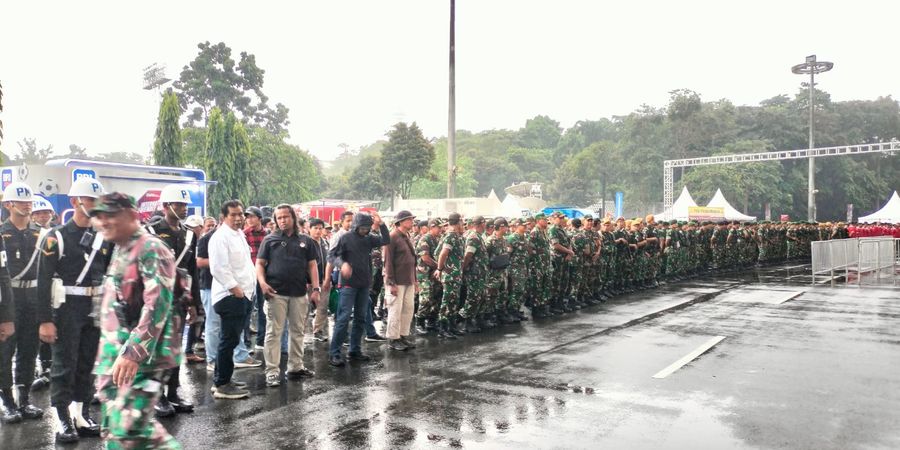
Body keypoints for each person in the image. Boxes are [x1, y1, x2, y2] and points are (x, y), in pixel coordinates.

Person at [90, 192, 182, 449]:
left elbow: (158, 304)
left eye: (110, 216)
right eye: (99, 217)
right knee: (114, 432)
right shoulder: (122, 248)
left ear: (131, 215)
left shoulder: (151, 248)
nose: (103, 222)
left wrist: (133, 352)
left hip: (142, 360)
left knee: (131, 431)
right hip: (114, 357)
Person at [36, 177, 111, 444]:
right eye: (89, 199)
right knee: (64, 366)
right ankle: (63, 420)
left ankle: (82, 414)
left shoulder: (103, 236)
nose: (94, 205)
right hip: (66, 308)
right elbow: (43, 281)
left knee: (87, 364)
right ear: (74, 202)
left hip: (93, 307)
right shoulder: (55, 236)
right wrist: (45, 320)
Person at [143, 184, 198, 418]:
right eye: (178, 205)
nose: (183, 209)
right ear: (166, 206)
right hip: (155, 298)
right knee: (156, 349)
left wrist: (194, 303)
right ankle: (157, 396)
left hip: (179, 298)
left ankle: (173, 391)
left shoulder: (188, 234)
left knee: (174, 347)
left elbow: (192, 269)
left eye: (185, 205)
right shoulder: (150, 231)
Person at [256, 204, 320, 387]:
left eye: (286, 216)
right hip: (276, 293)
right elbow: (260, 264)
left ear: (293, 217)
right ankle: (272, 372)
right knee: (274, 333)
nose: (282, 220)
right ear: (275, 220)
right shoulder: (269, 239)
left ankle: (295, 367)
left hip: (299, 293)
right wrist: (262, 282)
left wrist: (316, 289)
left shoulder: (306, 241)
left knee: (298, 331)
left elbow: (312, 265)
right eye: (279, 218)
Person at [0, 182, 43, 424]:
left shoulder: (40, 232)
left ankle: (24, 399)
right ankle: (7, 401)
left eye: (29, 201)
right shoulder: (1, 232)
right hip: (8, 298)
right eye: (22, 201)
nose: (27, 205)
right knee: (5, 352)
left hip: (33, 298)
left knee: (29, 349)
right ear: (8, 205)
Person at [208, 200, 257, 399]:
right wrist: (235, 289)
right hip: (230, 296)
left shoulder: (239, 234)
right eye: (233, 215)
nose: (238, 218)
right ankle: (222, 385)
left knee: (230, 340)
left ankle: (223, 378)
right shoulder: (220, 237)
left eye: (240, 214)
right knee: (228, 341)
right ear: (223, 217)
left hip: (243, 294)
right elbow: (218, 268)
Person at [327, 212, 389, 367]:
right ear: (356, 225)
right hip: (348, 284)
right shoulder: (345, 238)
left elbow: (386, 240)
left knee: (360, 318)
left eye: (367, 228)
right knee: (343, 318)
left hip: (363, 283)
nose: (364, 230)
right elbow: (332, 256)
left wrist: (381, 224)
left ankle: (355, 350)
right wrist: (343, 264)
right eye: (362, 227)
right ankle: (335, 353)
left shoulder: (369, 239)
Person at [382, 211, 418, 351]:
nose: (412, 222)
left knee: (408, 309)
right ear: (401, 222)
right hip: (397, 281)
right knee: (395, 310)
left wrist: (415, 280)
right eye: (409, 219)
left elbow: (412, 260)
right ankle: (393, 338)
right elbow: (388, 262)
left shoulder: (406, 236)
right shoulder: (392, 237)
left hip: (408, 279)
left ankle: (402, 335)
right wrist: (391, 283)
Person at [30, 195, 55, 391]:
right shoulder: (28, 234)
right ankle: (41, 368)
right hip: (30, 288)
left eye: (45, 212)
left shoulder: (58, 233)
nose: (42, 216)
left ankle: (48, 367)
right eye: (37, 213)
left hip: (55, 288)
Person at [435, 213, 465, 338]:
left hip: (456, 274)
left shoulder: (456, 236)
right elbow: (442, 254)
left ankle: (452, 326)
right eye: (462, 222)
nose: (463, 224)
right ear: (458, 222)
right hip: (450, 275)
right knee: (447, 301)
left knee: (454, 301)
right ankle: (443, 328)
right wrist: (440, 269)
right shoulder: (451, 236)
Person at [243, 207, 267, 351]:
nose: (249, 220)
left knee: (263, 309)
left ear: (259, 218)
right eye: (247, 217)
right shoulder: (244, 234)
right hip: (249, 276)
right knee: (247, 309)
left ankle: (261, 340)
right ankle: (246, 343)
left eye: (252, 217)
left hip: (264, 275)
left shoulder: (268, 235)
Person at [308, 218, 330, 342]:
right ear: (309, 229)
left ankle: (318, 330)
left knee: (322, 307)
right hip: (308, 282)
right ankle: (298, 333)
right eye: (315, 228)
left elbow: (330, 261)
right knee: (304, 309)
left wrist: (328, 278)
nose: (318, 231)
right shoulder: (306, 243)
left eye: (320, 228)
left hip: (324, 280)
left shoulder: (325, 242)